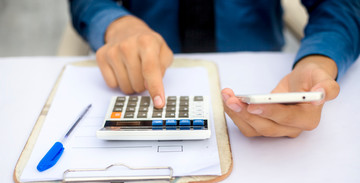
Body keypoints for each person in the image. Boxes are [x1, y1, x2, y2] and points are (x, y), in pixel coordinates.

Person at [69, 0, 360, 137]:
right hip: (145, 77)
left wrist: (318, 60)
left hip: (262, 73)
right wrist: (116, 24)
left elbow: (340, 4)